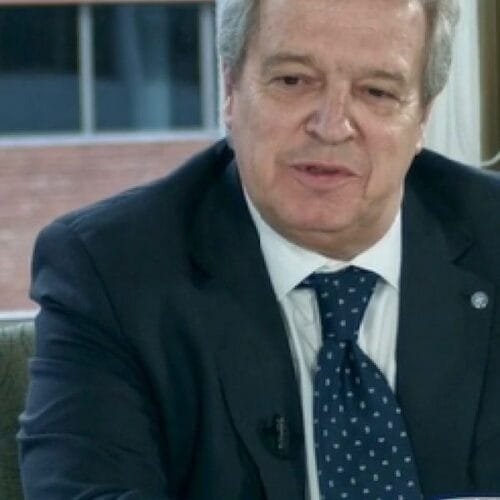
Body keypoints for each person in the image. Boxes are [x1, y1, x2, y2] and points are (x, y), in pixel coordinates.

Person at [19, 0, 500, 498]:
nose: (332, 126)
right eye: (294, 80)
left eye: (376, 92)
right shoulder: (112, 272)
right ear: (230, 90)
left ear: (422, 117)